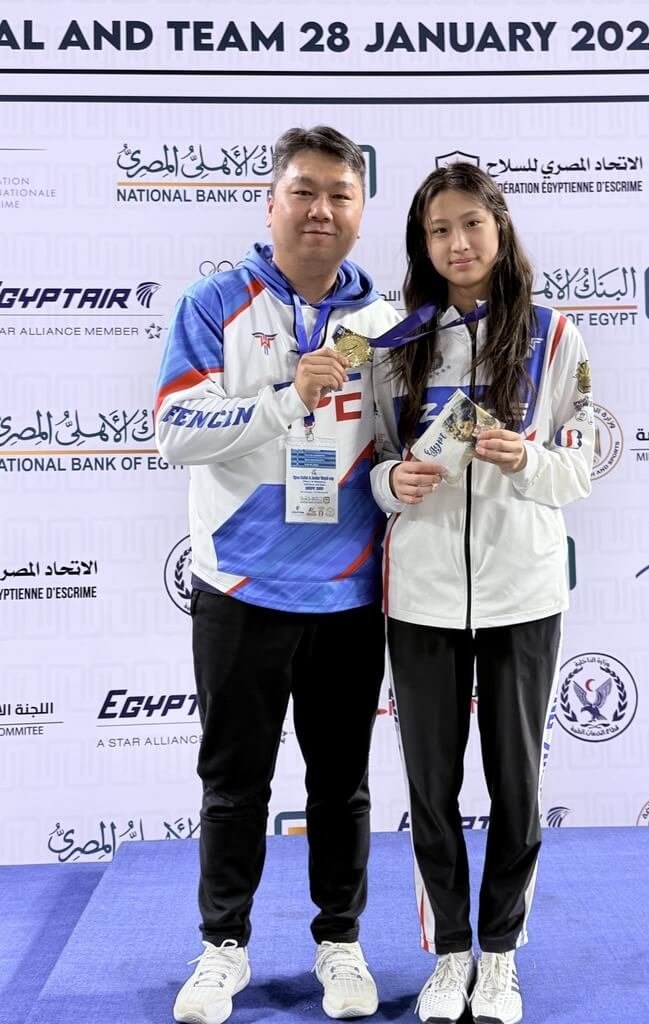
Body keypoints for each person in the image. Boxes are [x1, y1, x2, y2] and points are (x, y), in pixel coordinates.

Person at [155, 125, 401, 1024]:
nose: (322, 210)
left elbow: (398, 448)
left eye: (340, 194)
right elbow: (176, 431)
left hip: (349, 590)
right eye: (305, 191)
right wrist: (284, 399)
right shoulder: (215, 303)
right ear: (271, 202)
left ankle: (341, 942)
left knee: (341, 784)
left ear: (360, 211)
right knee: (233, 781)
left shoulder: (387, 321)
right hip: (241, 586)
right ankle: (223, 946)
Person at [370, 163, 594, 1024]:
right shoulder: (393, 337)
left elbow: (583, 458)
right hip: (421, 592)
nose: (457, 244)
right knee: (430, 785)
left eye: (471, 224)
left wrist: (528, 458)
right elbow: (371, 464)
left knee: (515, 785)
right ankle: (449, 953)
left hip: (524, 590)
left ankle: (498, 956)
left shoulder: (555, 333)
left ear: (499, 229)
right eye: (438, 231)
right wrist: (398, 485)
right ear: (422, 246)